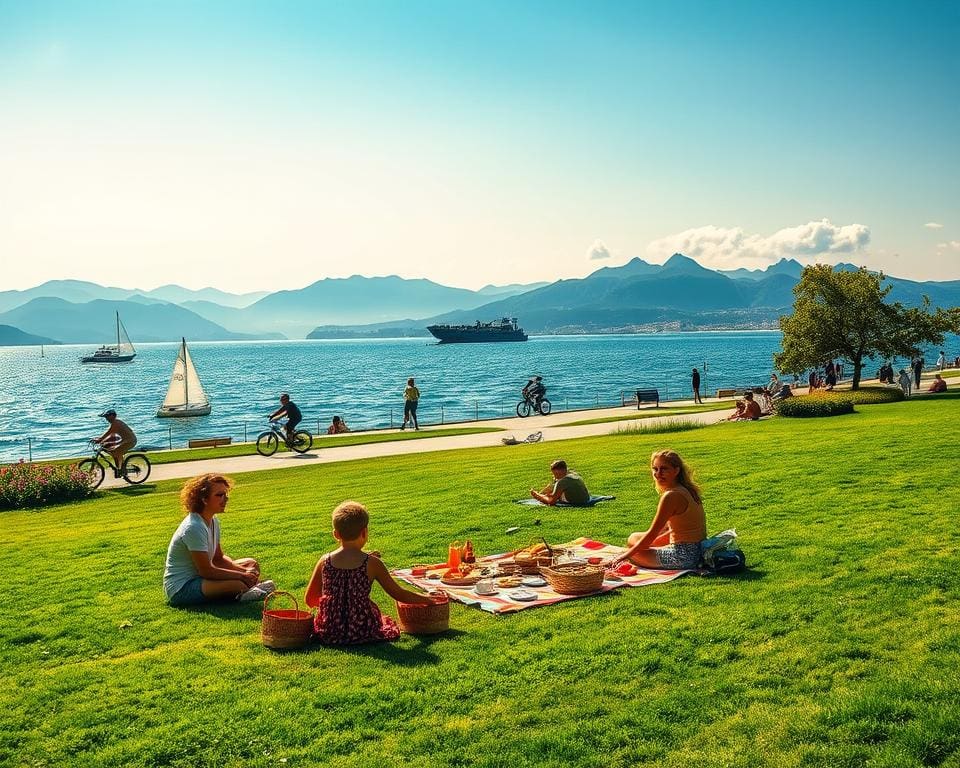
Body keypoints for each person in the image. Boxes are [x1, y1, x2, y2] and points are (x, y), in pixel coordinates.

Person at [305, 500, 440, 644]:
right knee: (383, 619)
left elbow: (310, 599)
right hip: (362, 628)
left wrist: (337, 608)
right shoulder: (372, 563)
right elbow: (398, 593)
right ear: (364, 531)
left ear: (336, 534)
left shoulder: (324, 561)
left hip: (329, 630)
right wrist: (427, 600)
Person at [163, 474, 272, 606]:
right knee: (238, 583)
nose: (226, 499)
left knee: (251, 564)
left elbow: (218, 558)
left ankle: (249, 588)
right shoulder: (194, 527)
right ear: (204, 499)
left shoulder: (212, 520)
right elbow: (206, 571)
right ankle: (245, 591)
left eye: (226, 495)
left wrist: (245, 572)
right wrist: (242, 576)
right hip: (182, 588)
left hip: (201, 579)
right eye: (219, 495)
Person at [609, 450, 706, 570]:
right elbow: (669, 529)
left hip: (685, 557)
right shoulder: (687, 489)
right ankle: (646, 549)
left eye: (664, 469)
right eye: (655, 469)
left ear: (676, 470)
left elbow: (652, 533)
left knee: (632, 553)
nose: (658, 474)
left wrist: (624, 556)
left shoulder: (671, 496)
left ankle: (637, 552)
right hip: (699, 549)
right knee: (633, 538)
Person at [94, 409, 137, 478]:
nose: (106, 418)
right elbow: (111, 434)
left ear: (113, 416)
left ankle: (121, 470)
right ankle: (120, 469)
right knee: (113, 452)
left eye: (107, 416)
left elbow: (109, 432)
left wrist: (100, 439)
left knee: (117, 452)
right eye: (105, 417)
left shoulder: (116, 423)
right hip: (124, 441)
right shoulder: (115, 423)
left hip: (130, 441)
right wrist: (102, 440)